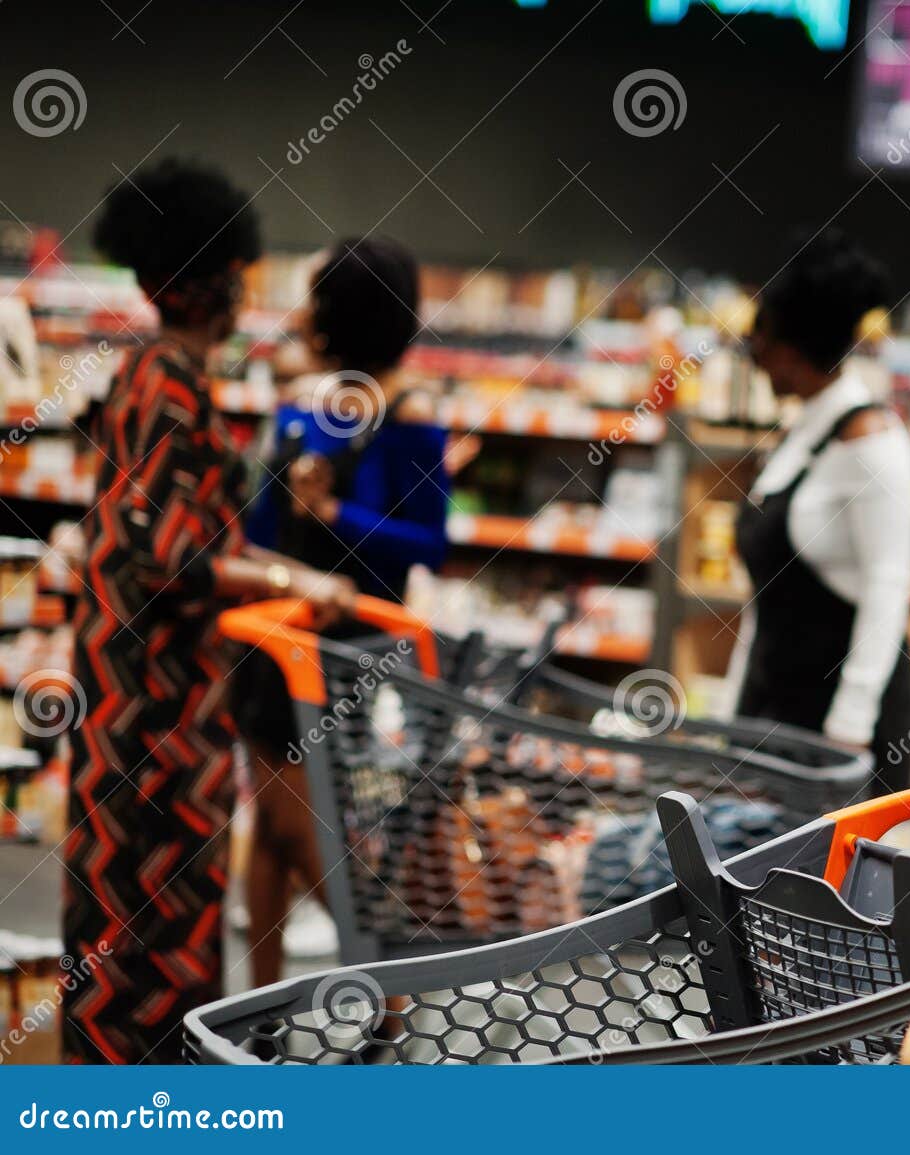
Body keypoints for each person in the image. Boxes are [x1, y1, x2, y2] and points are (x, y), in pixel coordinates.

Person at [62, 158, 354, 1064]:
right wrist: (290, 583)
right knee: (150, 920)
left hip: (147, 692)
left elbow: (192, 538)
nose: (245, 292)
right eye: (235, 273)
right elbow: (172, 556)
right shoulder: (169, 386)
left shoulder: (152, 376)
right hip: (151, 709)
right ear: (202, 283)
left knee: (149, 914)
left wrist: (278, 570)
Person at [238, 236, 449, 986]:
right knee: (269, 828)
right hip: (273, 634)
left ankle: (387, 991)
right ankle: (259, 1007)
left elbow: (431, 540)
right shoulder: (317, 401)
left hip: (341, 651)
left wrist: (332, 512)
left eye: (316, 295)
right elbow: (267, 525)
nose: (304, 311)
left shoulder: (410, 412)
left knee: (303, 830)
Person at [724, 229, 910, 795]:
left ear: (789, 348)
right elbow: (765, 604)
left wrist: (850, 728)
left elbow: (889, 584)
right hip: (776, 712)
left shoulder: (869, 440)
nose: (753, 357)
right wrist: (739, 712)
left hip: (840, 732)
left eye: (758, 341)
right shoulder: (802, 433)